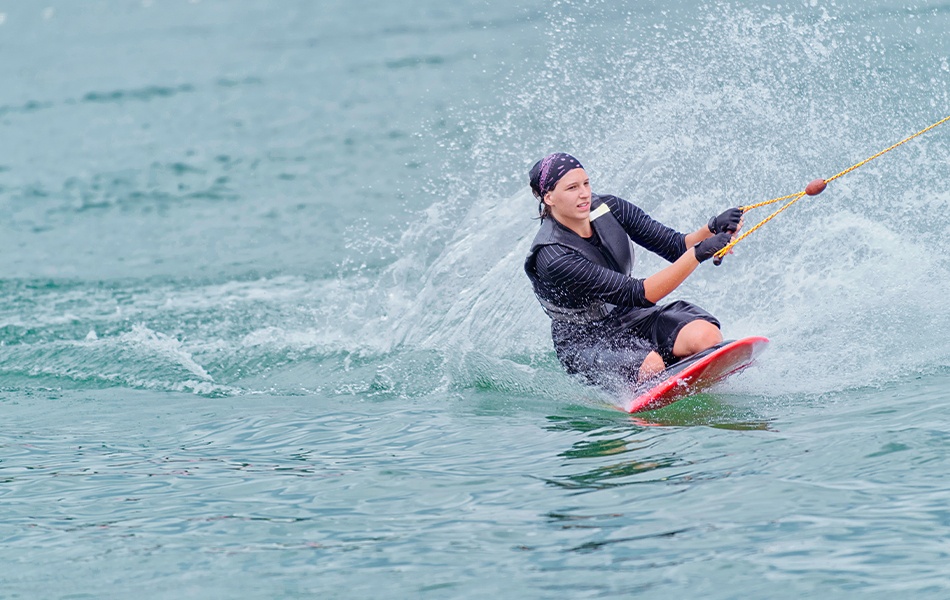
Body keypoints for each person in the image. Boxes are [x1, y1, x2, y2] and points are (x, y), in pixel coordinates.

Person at [523, 152, 743, 389]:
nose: (584, 193)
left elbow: (675, 246)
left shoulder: (610, 208)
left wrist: (712, 229)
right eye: (572, 188)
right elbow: (639, 293)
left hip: (629, 314)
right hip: (585, 338)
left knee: (706, 336)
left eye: (586, 183)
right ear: (549, 197)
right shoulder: (553, 256)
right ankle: (639, 383)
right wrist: (699, 253)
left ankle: (667, 370)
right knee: (651, 366)